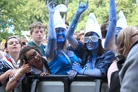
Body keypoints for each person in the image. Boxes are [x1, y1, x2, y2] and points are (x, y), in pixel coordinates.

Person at [66, 1, 115, 78]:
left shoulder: (108, 54)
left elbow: (100, 72)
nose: (90, 41)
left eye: (94, 38)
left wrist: (81, 71)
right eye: (87, 38)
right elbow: (68, 36)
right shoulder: (84, 52)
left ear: (99, 40)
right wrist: (77, 14)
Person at [46, 2, 80, 74]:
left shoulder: (71, 49)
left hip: (77, 84)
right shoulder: (51, 52)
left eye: (63, 30)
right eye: (57, 31)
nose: (60, 33)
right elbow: (52, 38)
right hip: (58, 84)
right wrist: (51, 14)